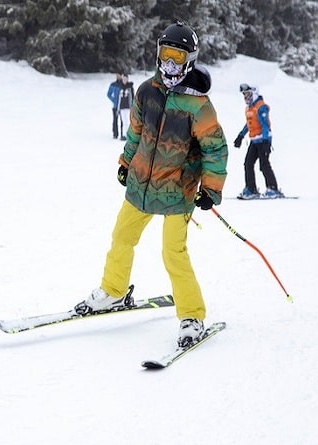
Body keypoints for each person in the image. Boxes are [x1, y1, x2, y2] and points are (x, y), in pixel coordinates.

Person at [75, 21, 229, 348]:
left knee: (173, 252)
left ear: (190, 59)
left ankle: (192, 315)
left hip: (178, 190)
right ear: (158, 55)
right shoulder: (146, 91)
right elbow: (136, 133)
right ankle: (113, 291)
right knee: (121, 237)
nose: (171, 64)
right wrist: (125, 164)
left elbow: (215, 149)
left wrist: (211, 189)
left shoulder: (198, 105)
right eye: (166, 55)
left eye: (178, 56)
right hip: (141, 184)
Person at [234, 83, 283, 199]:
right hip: (254, 141)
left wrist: (266, 141)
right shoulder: (249, 108)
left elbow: (265, 124)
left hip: (263, 140)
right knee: (248, 164)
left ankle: (273, 189)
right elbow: (249, 124)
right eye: (244, 95)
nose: (246, 97)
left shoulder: (261, 107)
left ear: (254, 94)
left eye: (248, 94)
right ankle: (251, 189)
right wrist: (240, 136)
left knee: (264, 165)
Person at [117, 74, 135, 140]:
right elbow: (118, 98)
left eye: (125, 79)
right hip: (122, 107)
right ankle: (124, 135)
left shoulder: (130, 87)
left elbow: (133, 97)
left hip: (128, 106)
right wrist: (118, 108)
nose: (124, 80)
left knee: (128, 121)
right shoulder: (120, 87)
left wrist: (132, 106)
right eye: (123, 79)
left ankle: (129, 135)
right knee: (124, 121)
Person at [106, 73, 122, 139]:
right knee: (115, 120)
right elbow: (108, 94)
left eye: (119, 75)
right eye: (116, 75)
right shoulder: (113, 84)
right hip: (115, 106)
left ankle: (123, 133)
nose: (117, 76)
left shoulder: (124, 84)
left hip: (123, 106)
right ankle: (115, 133)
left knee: (123, 120)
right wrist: (114, 100)